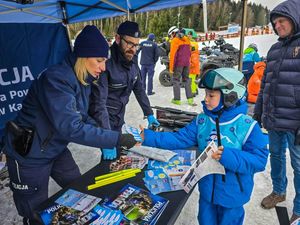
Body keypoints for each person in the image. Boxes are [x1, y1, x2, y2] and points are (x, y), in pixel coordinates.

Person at [2, 25, 137, 225]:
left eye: (105, 61)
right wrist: (115, 139)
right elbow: (71, 127)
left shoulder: (83, 78)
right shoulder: (56, 79)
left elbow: (82, 117)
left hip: (55, 148)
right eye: (99, 61)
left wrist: (106, 135)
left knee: (79, 190)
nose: (103, 67)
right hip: (30, 155)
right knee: (36, 214)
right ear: (83, 56)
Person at [141, 67, 269, 225]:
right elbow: (179, 138)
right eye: (206, 94)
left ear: (230, 96)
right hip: (207, 193)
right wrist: (147, 136)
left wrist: (227, 156)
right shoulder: (202, 121)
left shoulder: (247, 126)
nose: (206, 99)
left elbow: (259, 160)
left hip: (233, 197)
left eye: (211, 95)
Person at [253, 0, 300, 223]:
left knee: (298, 165)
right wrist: (258, 111)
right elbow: (265, 85)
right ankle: (278, 192)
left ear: (294, 19)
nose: (278, 25)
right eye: (275, 22)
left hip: (295, 123)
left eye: (282, 21)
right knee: (276, 157)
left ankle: (299, 207)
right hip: (273, 119)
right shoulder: (274, 49)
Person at [89, 21, 160, 160]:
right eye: (129, 43)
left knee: (120, 156)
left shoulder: (132, 60)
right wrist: (106, 139)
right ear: (117, 39)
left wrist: (149, 113)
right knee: (110, 159)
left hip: (118, 118)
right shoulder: (106, 64)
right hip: (104, 121)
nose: (133, 49)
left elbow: (139, 88)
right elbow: (99, 104)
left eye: (136, 45)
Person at [168, 27, 195, 106]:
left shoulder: (175, 41)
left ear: (174, 33)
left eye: (171, 35)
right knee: (186, 80)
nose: (171, 37)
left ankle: (177, 99)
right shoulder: (187, 39)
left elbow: (173, 55)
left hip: (178, 64)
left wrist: (171, 68)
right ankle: (190, 99)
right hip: (187, 63)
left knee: (176, 80)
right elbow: (190, 53)